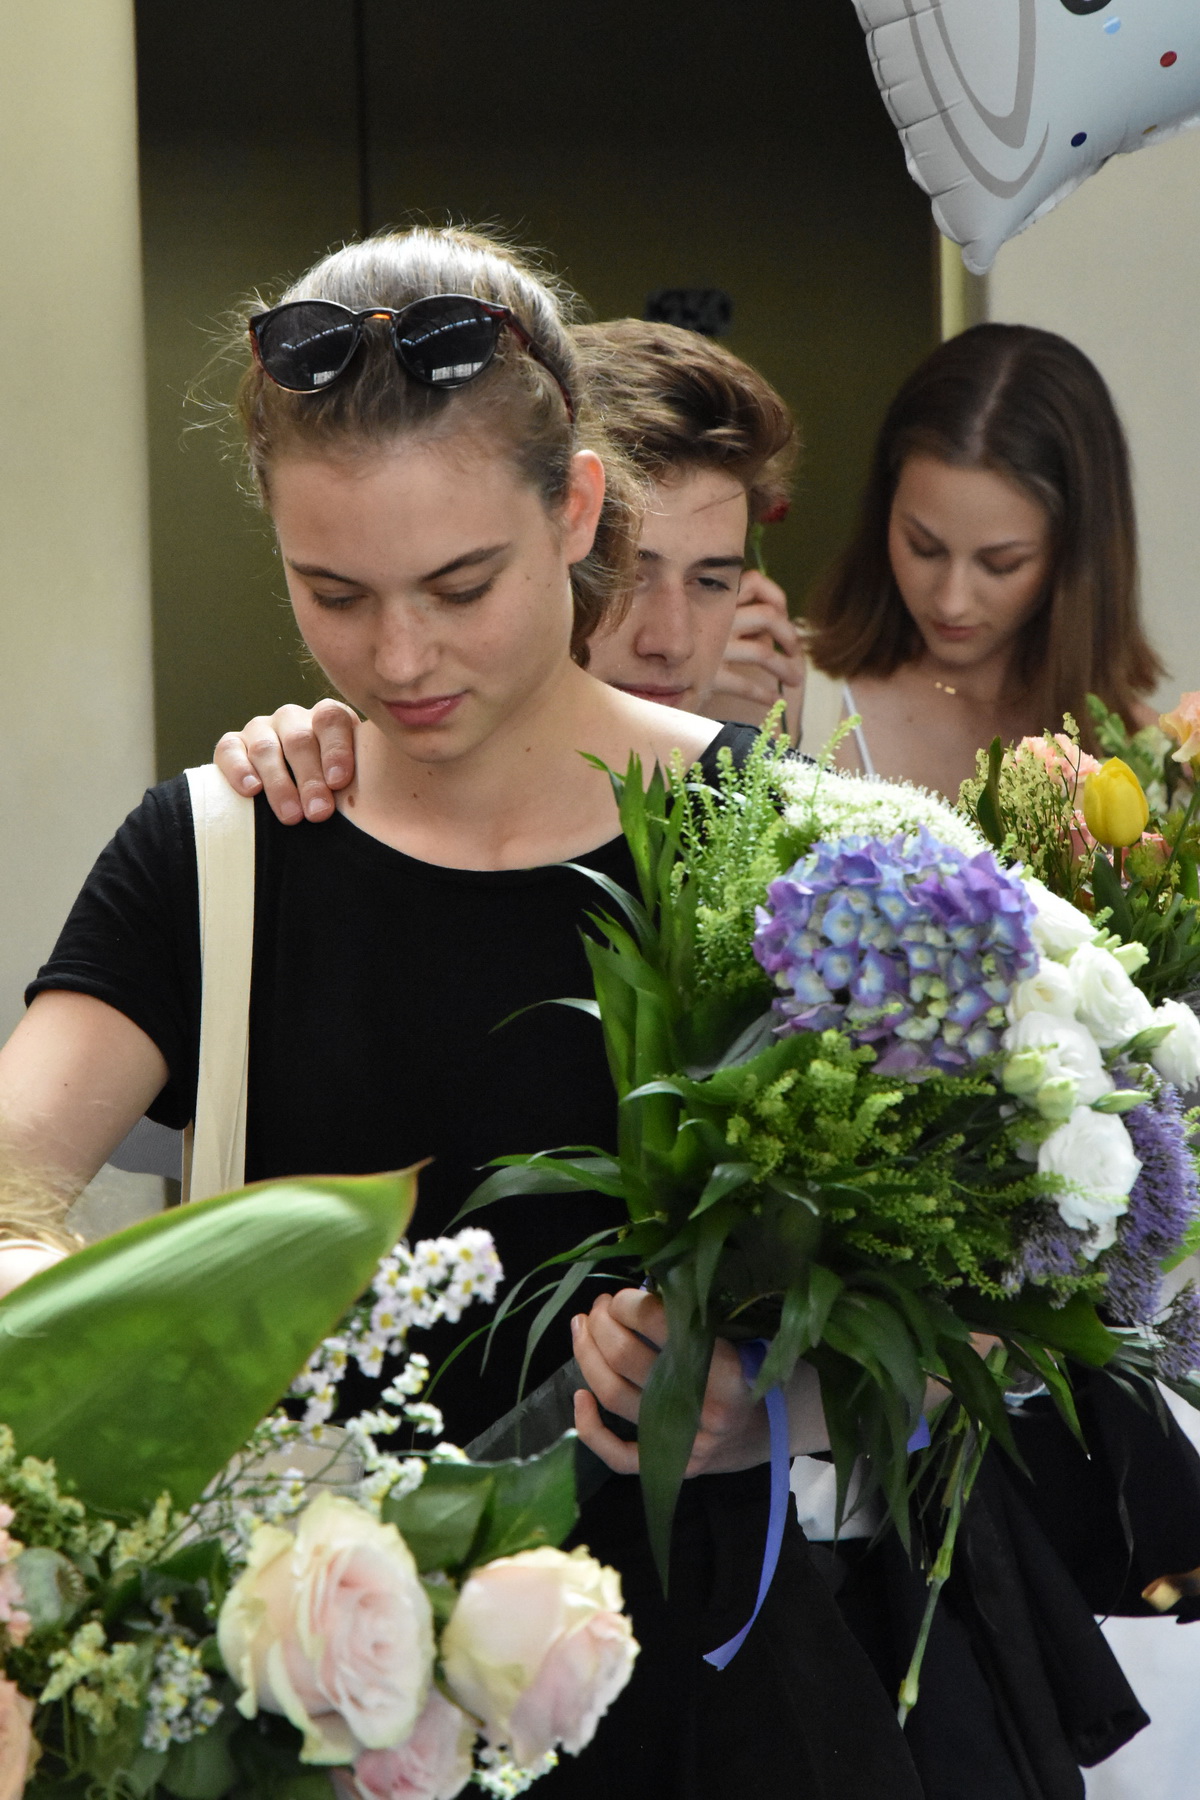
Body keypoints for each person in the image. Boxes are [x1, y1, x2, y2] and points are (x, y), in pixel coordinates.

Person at [0, 227, 923, 1798]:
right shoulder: (223, 853)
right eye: (333, 593)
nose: (401, 656)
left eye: (460, 585)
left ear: (576, 511)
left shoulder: (788, 851)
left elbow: (991, 1310)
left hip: (703, 1711)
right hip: (316, 1728)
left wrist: (786, 1405)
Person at [211, 318, 805, 821]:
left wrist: (767, 775)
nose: (671, 642)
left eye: (710, 582)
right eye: (626, 572)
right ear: (568, 524)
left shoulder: (791, 802)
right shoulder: (303, 788)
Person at [796, 322, 1162, 793]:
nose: (951, 601)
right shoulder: (787, 694)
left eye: (1000, 564)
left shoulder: (1148, 760)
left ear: (1074, 556)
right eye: (924, 547)